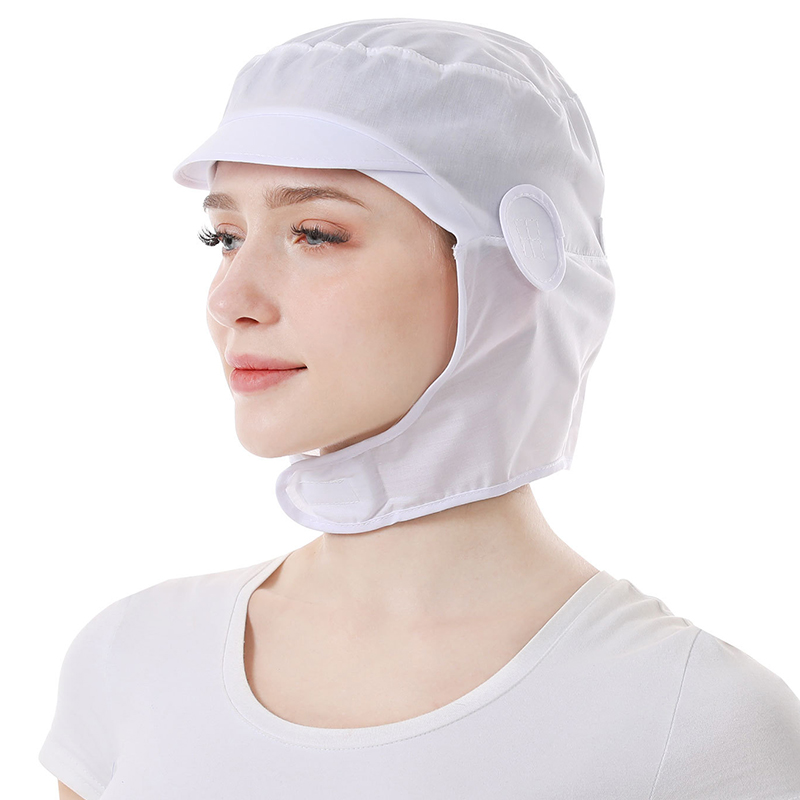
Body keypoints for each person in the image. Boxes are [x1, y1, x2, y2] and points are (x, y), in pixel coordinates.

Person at [39, 18, 800, 800]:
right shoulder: (132, 661)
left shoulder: (697, 724)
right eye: (224, 236)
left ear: (510, 270)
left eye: (315, 234)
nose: (230, 298)